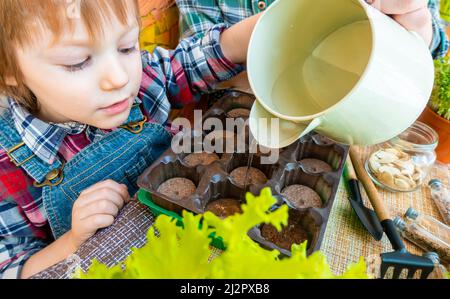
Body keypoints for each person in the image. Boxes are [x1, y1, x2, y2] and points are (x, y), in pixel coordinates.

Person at [0, 0, 260, 278]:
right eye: (77, 62)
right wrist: (73, 239)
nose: (118, 77)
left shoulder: (143, 81)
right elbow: (13, 267)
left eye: (126, 47)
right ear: (10, 70)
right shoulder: (8, 166)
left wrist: (259, 30)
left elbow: (195, 61)